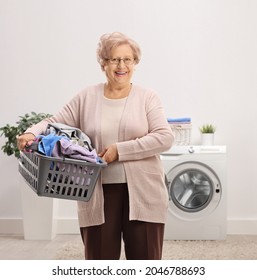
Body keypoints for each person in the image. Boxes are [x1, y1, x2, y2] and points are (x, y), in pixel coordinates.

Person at [17, 32, 174, 260]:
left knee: (145, 262)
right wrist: (31, 132)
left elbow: (164, 137)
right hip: (96, 191)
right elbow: (53, 121)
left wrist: (119, 150)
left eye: (127, 59)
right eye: (114, 59)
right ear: (103, 64)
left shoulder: (147, 97)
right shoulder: (87, 97)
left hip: (144, 191)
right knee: (99, 262)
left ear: (135, 63)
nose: (121, 65)